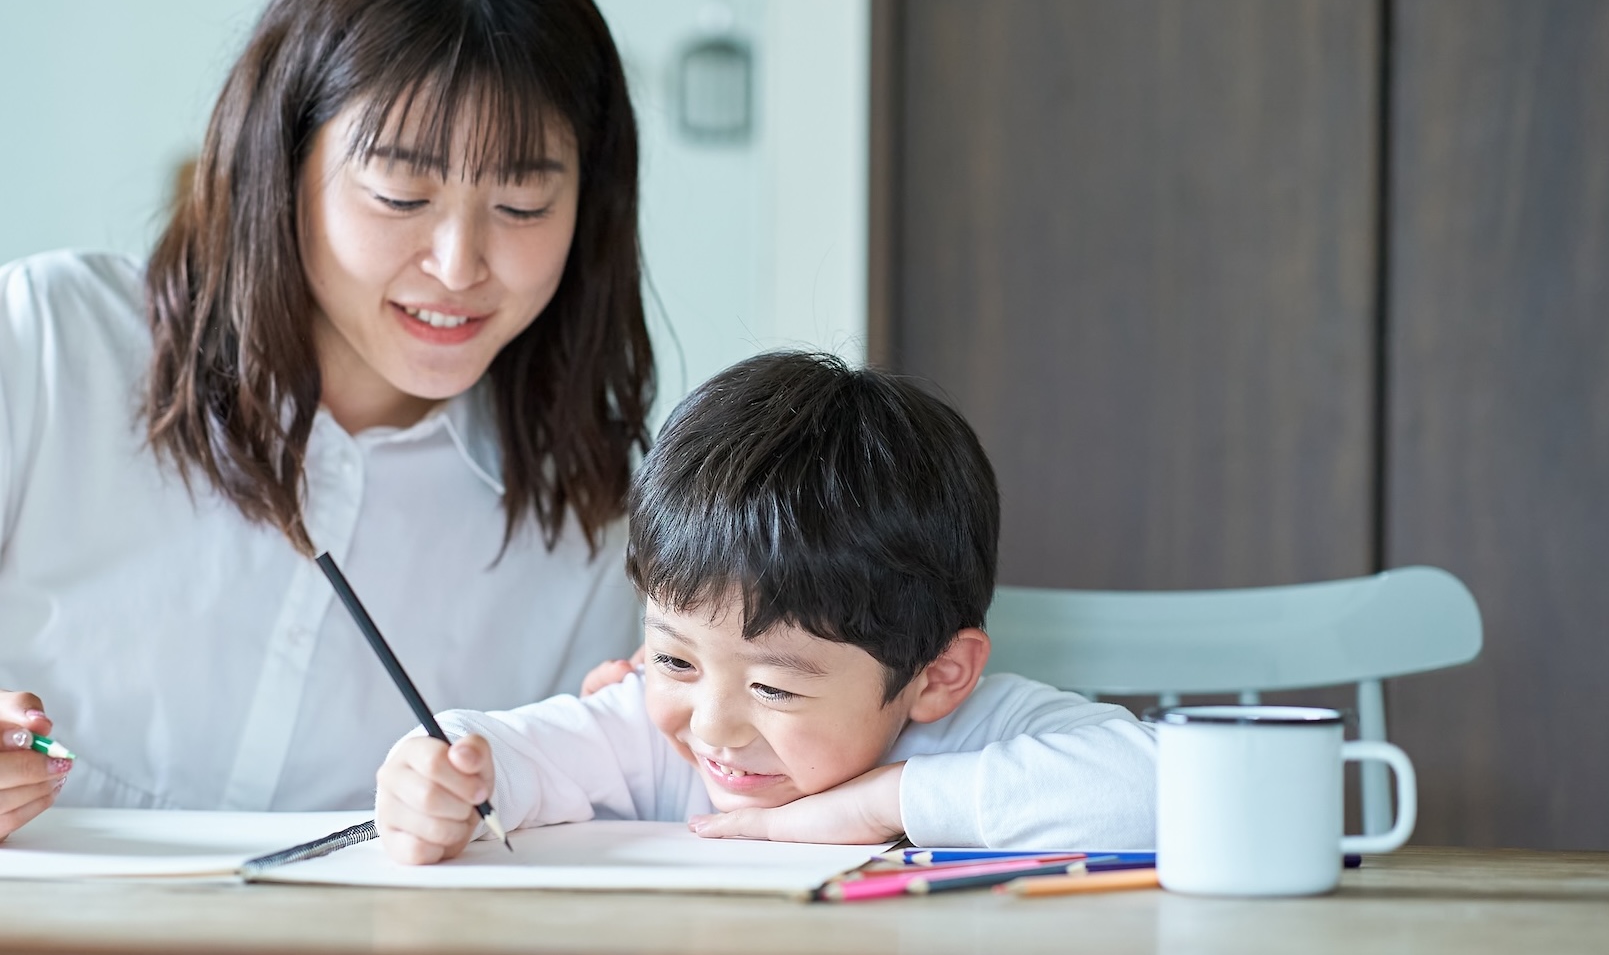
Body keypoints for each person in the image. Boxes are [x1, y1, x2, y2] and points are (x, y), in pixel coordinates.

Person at [0, 0, 654, 837]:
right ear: (280, 162)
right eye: (400, 195)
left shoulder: (582, 514)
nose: (459, 264)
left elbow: (566, 836)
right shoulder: (46, 343)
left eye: (521, 204)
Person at [375, 352, 1155, 862]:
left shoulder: (976, 729)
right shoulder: (649, 734)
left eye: (774, 686)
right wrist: (439, 773)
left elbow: (1171, 787)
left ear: (937, 674)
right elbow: (498, 748)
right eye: (675, 657)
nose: (713, 726)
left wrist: (879, 803)